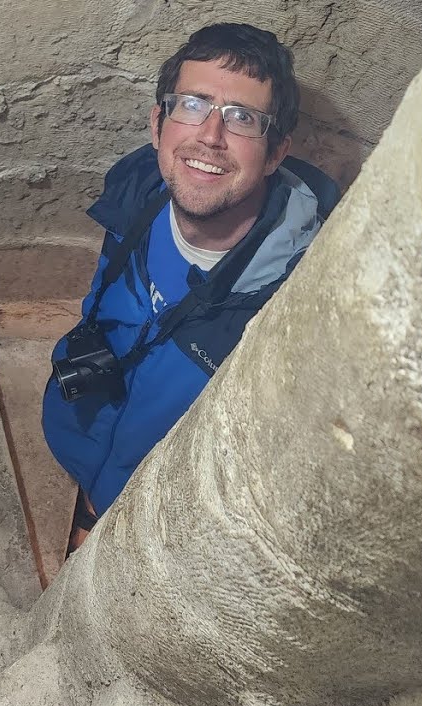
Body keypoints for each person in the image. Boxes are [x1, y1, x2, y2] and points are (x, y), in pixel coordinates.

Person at [42, 23, 340, 544]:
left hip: (151, 486)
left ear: (275, 154)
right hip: (79, 416)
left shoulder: (293, 299)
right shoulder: (138, 188)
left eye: (243, 118)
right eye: (194, 104)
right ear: (159, 124)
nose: (210, 136)